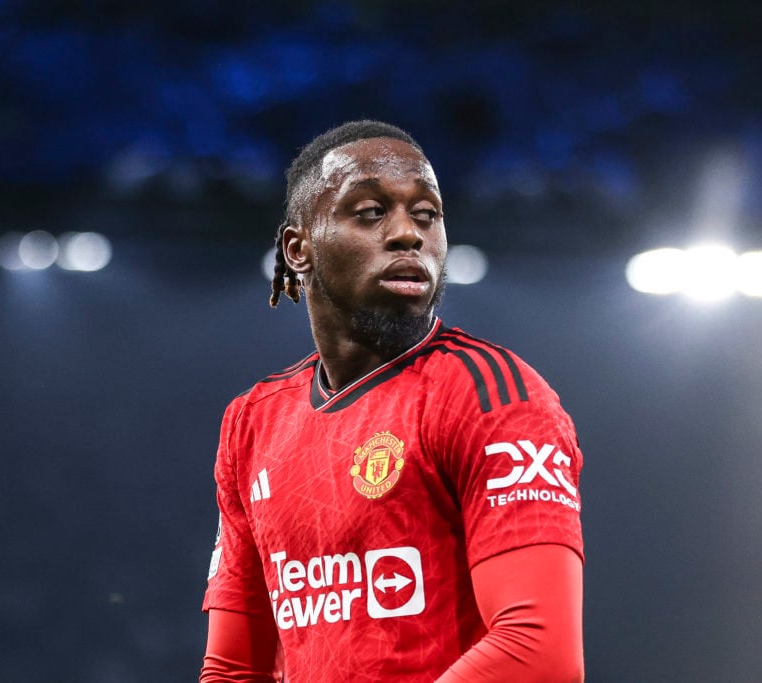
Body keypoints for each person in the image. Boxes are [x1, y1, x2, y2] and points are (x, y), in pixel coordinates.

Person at [201, 120, 584, 682]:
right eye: (371, 212)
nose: (409, 234)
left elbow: (539, 653)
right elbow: (234, 669)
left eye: (427, 214)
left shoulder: (491, 395)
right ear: (298, 247)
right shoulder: (253, 422)